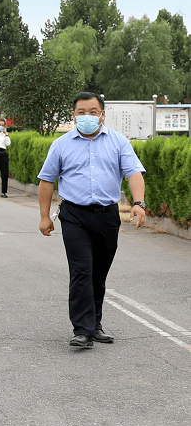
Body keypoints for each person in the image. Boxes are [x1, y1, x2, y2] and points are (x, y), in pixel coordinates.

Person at [38, 92, 146, 349]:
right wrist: (44, 217)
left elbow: (134, 173)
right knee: (82, 270)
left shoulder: (118, 142)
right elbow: (46, 181)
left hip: (108, 215)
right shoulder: (61, 144)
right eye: (81, 112)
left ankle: (95, 325)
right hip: (74, 215)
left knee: (99, 273)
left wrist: (139, 203)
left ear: (102, 114)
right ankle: (82, 329)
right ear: (73, 115)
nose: (87, 116)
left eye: (93, 111)